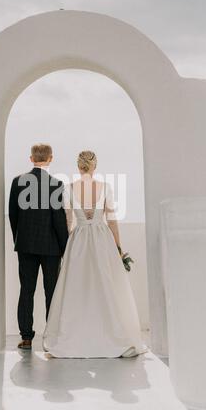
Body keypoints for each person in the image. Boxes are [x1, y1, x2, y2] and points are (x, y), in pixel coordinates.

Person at [43, 150, 146, 358]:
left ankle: (73, 337)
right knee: (105, 284)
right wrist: (118, 247)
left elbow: (68, 221)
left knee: (77, 287)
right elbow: (112, 221)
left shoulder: (70, 189)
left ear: (78, 167)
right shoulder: (105, 187)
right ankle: (111, 334)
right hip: (101, 239)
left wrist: (66, 247)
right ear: (94, 166)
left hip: (79, 239)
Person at [9, 144, 69, 350]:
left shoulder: (18, 182)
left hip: (25, 245)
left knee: (26, 290)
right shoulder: (55, 184)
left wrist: (20, 237)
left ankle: (26, 337)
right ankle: (50, 337)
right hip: (51, 247)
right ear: (50, 158)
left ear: (31, 158)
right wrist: (65, 246)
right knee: (51, 291)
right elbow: (59, 219)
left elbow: (13, 215)